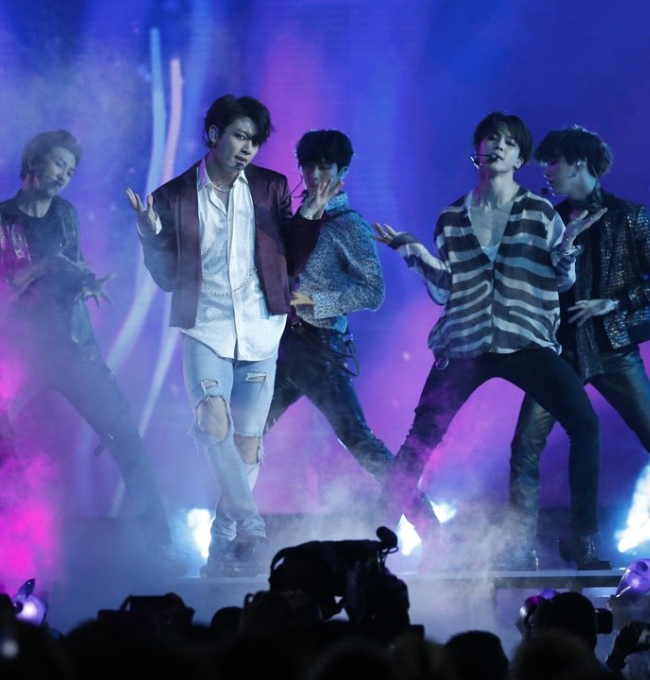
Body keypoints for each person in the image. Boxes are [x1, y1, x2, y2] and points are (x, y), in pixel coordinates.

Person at [373, 112, 608, 569]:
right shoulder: (452, 217)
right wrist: (413, 252)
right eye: (490, 139)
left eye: (508, 142)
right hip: (465, 342)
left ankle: (583, 539)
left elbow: (561, 280)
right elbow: (445, 288)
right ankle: (374, 542)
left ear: (521, 156)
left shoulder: (540, 212)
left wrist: (567, 251)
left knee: (585, 424)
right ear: (476, 149)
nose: (497, 146)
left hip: (525, 340)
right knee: (419, 440)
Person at [127, 95, 333, 576]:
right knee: (212, 422)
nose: (247, 148)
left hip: (262, 327)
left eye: (255, 141)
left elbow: (290, 262)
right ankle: (251, 524)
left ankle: (222, 540)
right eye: (239, 136)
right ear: (213, 134)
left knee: (246, 446)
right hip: (206, 326)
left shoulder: (270, 188)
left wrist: (310, 218)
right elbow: (164, 276)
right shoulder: (174, 195)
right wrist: (147, 232)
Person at [0, 129, 174, 557]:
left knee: (125, 436)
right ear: (33, 163)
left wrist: (84, 283)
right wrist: (40, 267)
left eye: (71, 169)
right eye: (58, 164)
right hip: (18, 352)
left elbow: (71, 268)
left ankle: (159, 545)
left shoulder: (65, 213)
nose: (64, 174)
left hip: (73, 347)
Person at [508, 125, 650, 570]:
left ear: (580, 164)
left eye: (554, 162)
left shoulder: (632, 218)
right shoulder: (547, 219)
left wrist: (616, 302)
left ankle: (584, 540)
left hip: (612, 349)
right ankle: (519, 546)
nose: (547, 171)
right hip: (557, 353)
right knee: (526, 446)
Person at [265, 129, 415, 520]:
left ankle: (429, 528)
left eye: (324, 166)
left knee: (359, 440)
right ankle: (225, 543)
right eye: (308, 165)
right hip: (281, 347)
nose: (314, 174)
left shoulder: (350, 224)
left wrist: (320, 301)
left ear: (342, 170)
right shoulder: (294, 216)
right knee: (243, 438)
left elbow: (374, 290)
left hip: (320, 350)